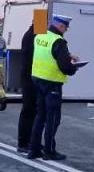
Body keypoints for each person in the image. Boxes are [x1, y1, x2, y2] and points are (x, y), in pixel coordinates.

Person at [28, 14, 84, 160]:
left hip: (37, 79)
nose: (66, 30)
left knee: (40, 115)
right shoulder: (59, 41)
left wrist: (67, 56)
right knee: (53, 118)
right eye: (65, 27)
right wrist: (74, 68)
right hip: (52, 82)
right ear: (60, 26)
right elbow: (64, 66)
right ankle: (49, 151)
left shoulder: (41, 36)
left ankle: (33, 150)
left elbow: (49, 54)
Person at [16, 20, 38, 152]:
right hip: (30, 78)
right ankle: (24, 142)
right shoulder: (32, 37)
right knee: (29, 110)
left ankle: (30, 141)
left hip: (30, 77)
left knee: (32, 111)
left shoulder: (31, 35)